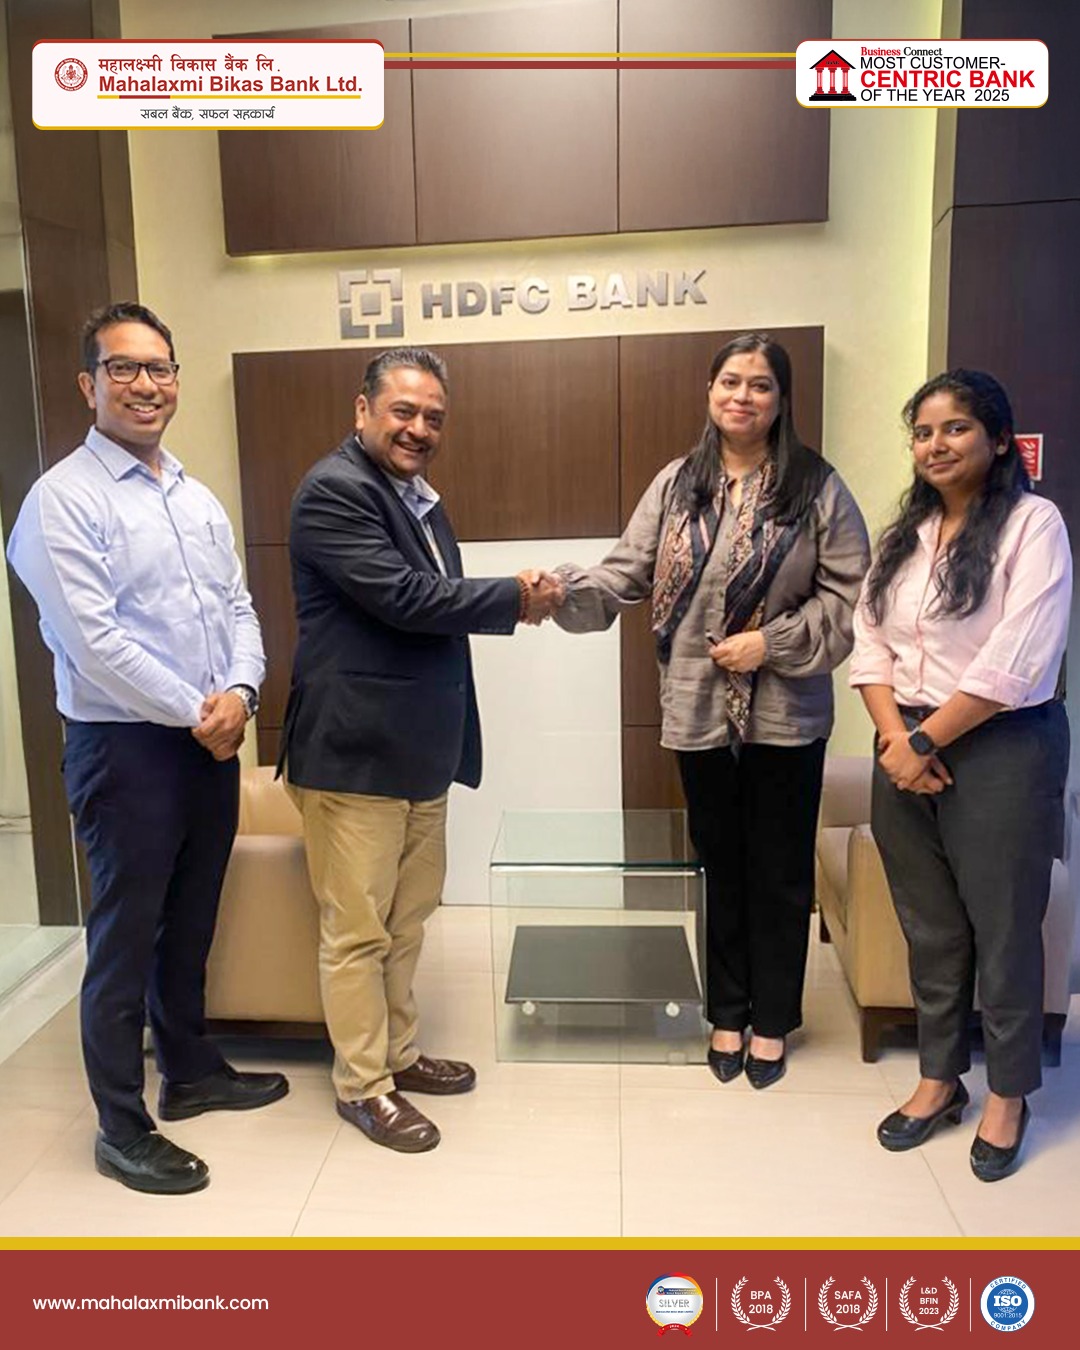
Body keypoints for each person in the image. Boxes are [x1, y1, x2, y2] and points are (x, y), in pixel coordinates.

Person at [6, 302, 287, 1196]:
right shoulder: (62, 499)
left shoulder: (193, 496)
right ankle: (120, 1126)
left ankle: (192, 1072)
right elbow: (93, 643)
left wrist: (241, 694)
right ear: (88, 385)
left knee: (192, 919)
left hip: (208, 742)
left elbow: (238, 608)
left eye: (159, 367)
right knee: (124, 940)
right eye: (123, 368)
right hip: (125, 749)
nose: (145, 384)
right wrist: (199, 711)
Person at [552, 333, 869, 1087]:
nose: (742, 396)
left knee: (780, 871)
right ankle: (727, 1011)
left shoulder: (817, 486)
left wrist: (771, 643)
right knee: (719, 865)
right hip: (695, 708)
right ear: (710, 391)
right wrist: (559, 592)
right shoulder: (678, 483)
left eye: (760, 385)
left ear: (782, 400)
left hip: (785, 713)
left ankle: (772, 1022)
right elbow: (625, 572)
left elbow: (852, 598)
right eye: (731, 381)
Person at [282, 346, 561, 1153]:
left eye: (434, 417)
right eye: (403, 411)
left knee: (407, 922)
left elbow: (430, 611)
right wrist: (517, 597)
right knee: (357, 932)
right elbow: (406, 599)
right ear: (362, 409)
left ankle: (398, 1055)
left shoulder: (418, 499)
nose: (419, 428)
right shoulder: (334, 490)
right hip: (355, 756)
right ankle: (363, 1086)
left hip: (416, 754)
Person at [851, 369, 1070, 1181]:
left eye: (955, 429)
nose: (935, 445)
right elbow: (869, 644)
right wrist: (896, 741)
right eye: (922, 432)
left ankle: (1008, 1095)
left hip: (1001, 745)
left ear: (999, 440)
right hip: (902, 743)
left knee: (1005, 928)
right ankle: (939, 1080)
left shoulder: (1033, 524)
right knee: (931, 926)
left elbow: (1019, 659)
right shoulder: (902, 537)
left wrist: (923, 742)